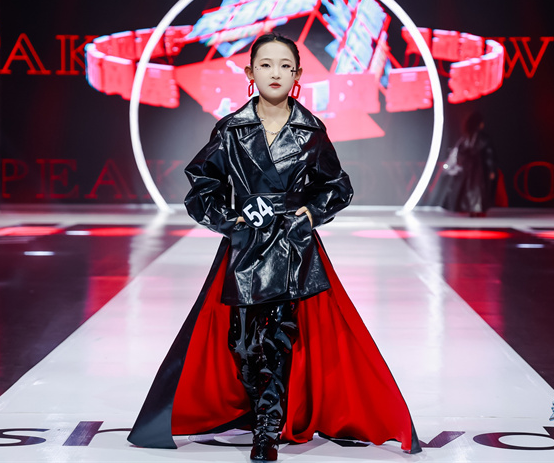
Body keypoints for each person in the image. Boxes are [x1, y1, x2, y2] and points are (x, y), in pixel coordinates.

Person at [127, 32, 421, 461]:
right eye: (266, 64)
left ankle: (267, 428)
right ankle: (259, 410)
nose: (276, 73)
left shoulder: (310, 130)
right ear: (250, 72)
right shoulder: (231, 129)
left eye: (285, 65)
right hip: (247, 246)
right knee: (243, 344)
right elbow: (201, 185)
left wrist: (310, 213)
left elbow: (337, 186)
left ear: (298, 75)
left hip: (292, 246)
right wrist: (231, 221)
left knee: (279, 338)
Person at [442, 111, 497, 217]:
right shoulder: (482, 138)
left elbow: (460, 153)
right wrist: (491, 169)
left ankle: (472, 209)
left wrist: (460, 164)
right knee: (478, 191)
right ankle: (476, 210)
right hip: (479, 169)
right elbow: (489, 154)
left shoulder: (466, 138)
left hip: (468, 169)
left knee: (469, 190)